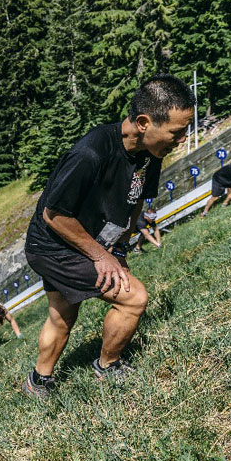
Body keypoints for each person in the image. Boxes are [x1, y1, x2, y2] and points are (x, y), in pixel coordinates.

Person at [23, 74, 195, 396]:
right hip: (53, 245)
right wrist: (102, 257)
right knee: (134, 299)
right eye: (176, 132)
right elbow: (54, 214)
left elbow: (136, 200)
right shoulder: (90, 154)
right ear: (143, 123)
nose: (182, 139)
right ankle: (108, 366)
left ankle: (38, 381)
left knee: (62, 315)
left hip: (83, 240)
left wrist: (120, 250)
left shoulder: (151, 152)